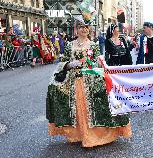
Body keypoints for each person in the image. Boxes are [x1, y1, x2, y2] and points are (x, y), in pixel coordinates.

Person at [46, 12, 132, 148]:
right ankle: (79, 134)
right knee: (77, 108)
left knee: (93, 107)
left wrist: (103, 68)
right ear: (77, 29)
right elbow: (62, 62)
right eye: (81, 27)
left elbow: (98, 63)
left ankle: (93, 135)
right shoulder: (69, 45)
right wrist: (69, 64)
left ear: (89, 29)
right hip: (74, 81)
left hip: (90, 80)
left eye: (86, 27)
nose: (84, 29)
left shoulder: (94, 45)